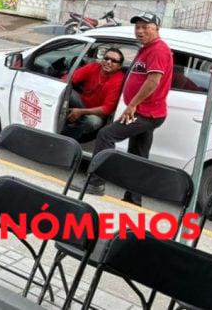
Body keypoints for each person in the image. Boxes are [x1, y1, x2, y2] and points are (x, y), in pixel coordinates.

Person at [72, 12, 173, 206]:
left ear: (157, 29)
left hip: (145, 112)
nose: (140, 31)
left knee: (105, 135)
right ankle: (134, 199)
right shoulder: (147, 48)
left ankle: (95, 182)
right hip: (146, 111)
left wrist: (133, 104)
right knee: (138, 155)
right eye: (138, 27)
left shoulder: (158, 50)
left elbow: (153, 81)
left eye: (146, 27)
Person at [60, 47, 125, 142]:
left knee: (94, 122)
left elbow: (107, 109)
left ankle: (65, 137)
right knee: (64, 90)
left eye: (114, 61)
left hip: (97, 113)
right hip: (82, 102)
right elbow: (68, 79)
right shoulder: (94, 66)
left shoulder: (118, 79)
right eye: (106, 58)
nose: (108, 62)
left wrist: (80, 112)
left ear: (119, 66)